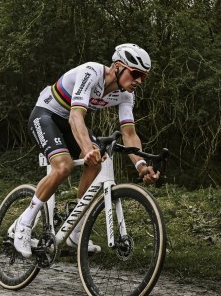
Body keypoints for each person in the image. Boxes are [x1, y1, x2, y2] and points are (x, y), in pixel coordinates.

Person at [13, 43, 160, 258]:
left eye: (143, 77)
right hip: (46, 114)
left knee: (99, 160)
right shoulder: (91, 72)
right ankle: (24, 224)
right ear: (118, 67)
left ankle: (75, 229)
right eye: (136, 73)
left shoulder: (126, 95)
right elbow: (75, 116)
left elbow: (129, 133)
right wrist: (85, 148)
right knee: (64, 166)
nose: (139, 81)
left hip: (70, 121)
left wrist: (141, 165)